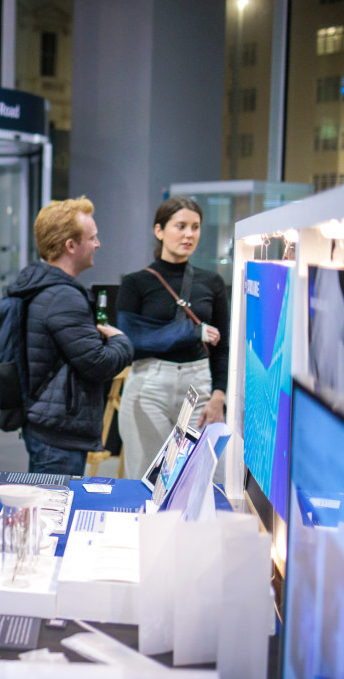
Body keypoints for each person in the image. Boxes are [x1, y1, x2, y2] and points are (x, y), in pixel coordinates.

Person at [7, 197, 134, 475]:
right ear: (71, 245)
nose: (98, 244)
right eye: (92, 237)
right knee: (55, 514)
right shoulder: (63, 297)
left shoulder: (43, 286)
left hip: (48, 426)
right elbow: (98, 363)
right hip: (58, 435)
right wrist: (121, 341)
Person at [116, 196, 229, 480]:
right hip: (149, 384)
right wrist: (190, 332)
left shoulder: (211, 282)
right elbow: (132, 343)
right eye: (180, 226)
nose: (189, 234)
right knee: (147, 478)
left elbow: (223, 346)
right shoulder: (136, 283)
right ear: (159, 230)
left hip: (199, 384)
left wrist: (219, 394)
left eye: (195, 227)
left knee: (200, 476)